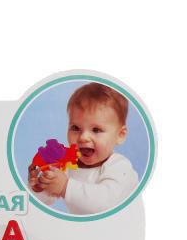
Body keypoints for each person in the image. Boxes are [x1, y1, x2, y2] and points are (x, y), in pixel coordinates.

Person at [30, 83, 139, 214]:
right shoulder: (69, 165)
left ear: (120, 135)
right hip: (83, 226)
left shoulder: (120, 167)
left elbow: (106, 204)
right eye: (75, 128)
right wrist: (40, 185)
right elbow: (43, 200)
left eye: (96, 130)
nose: (83, 137)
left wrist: (65, 187)